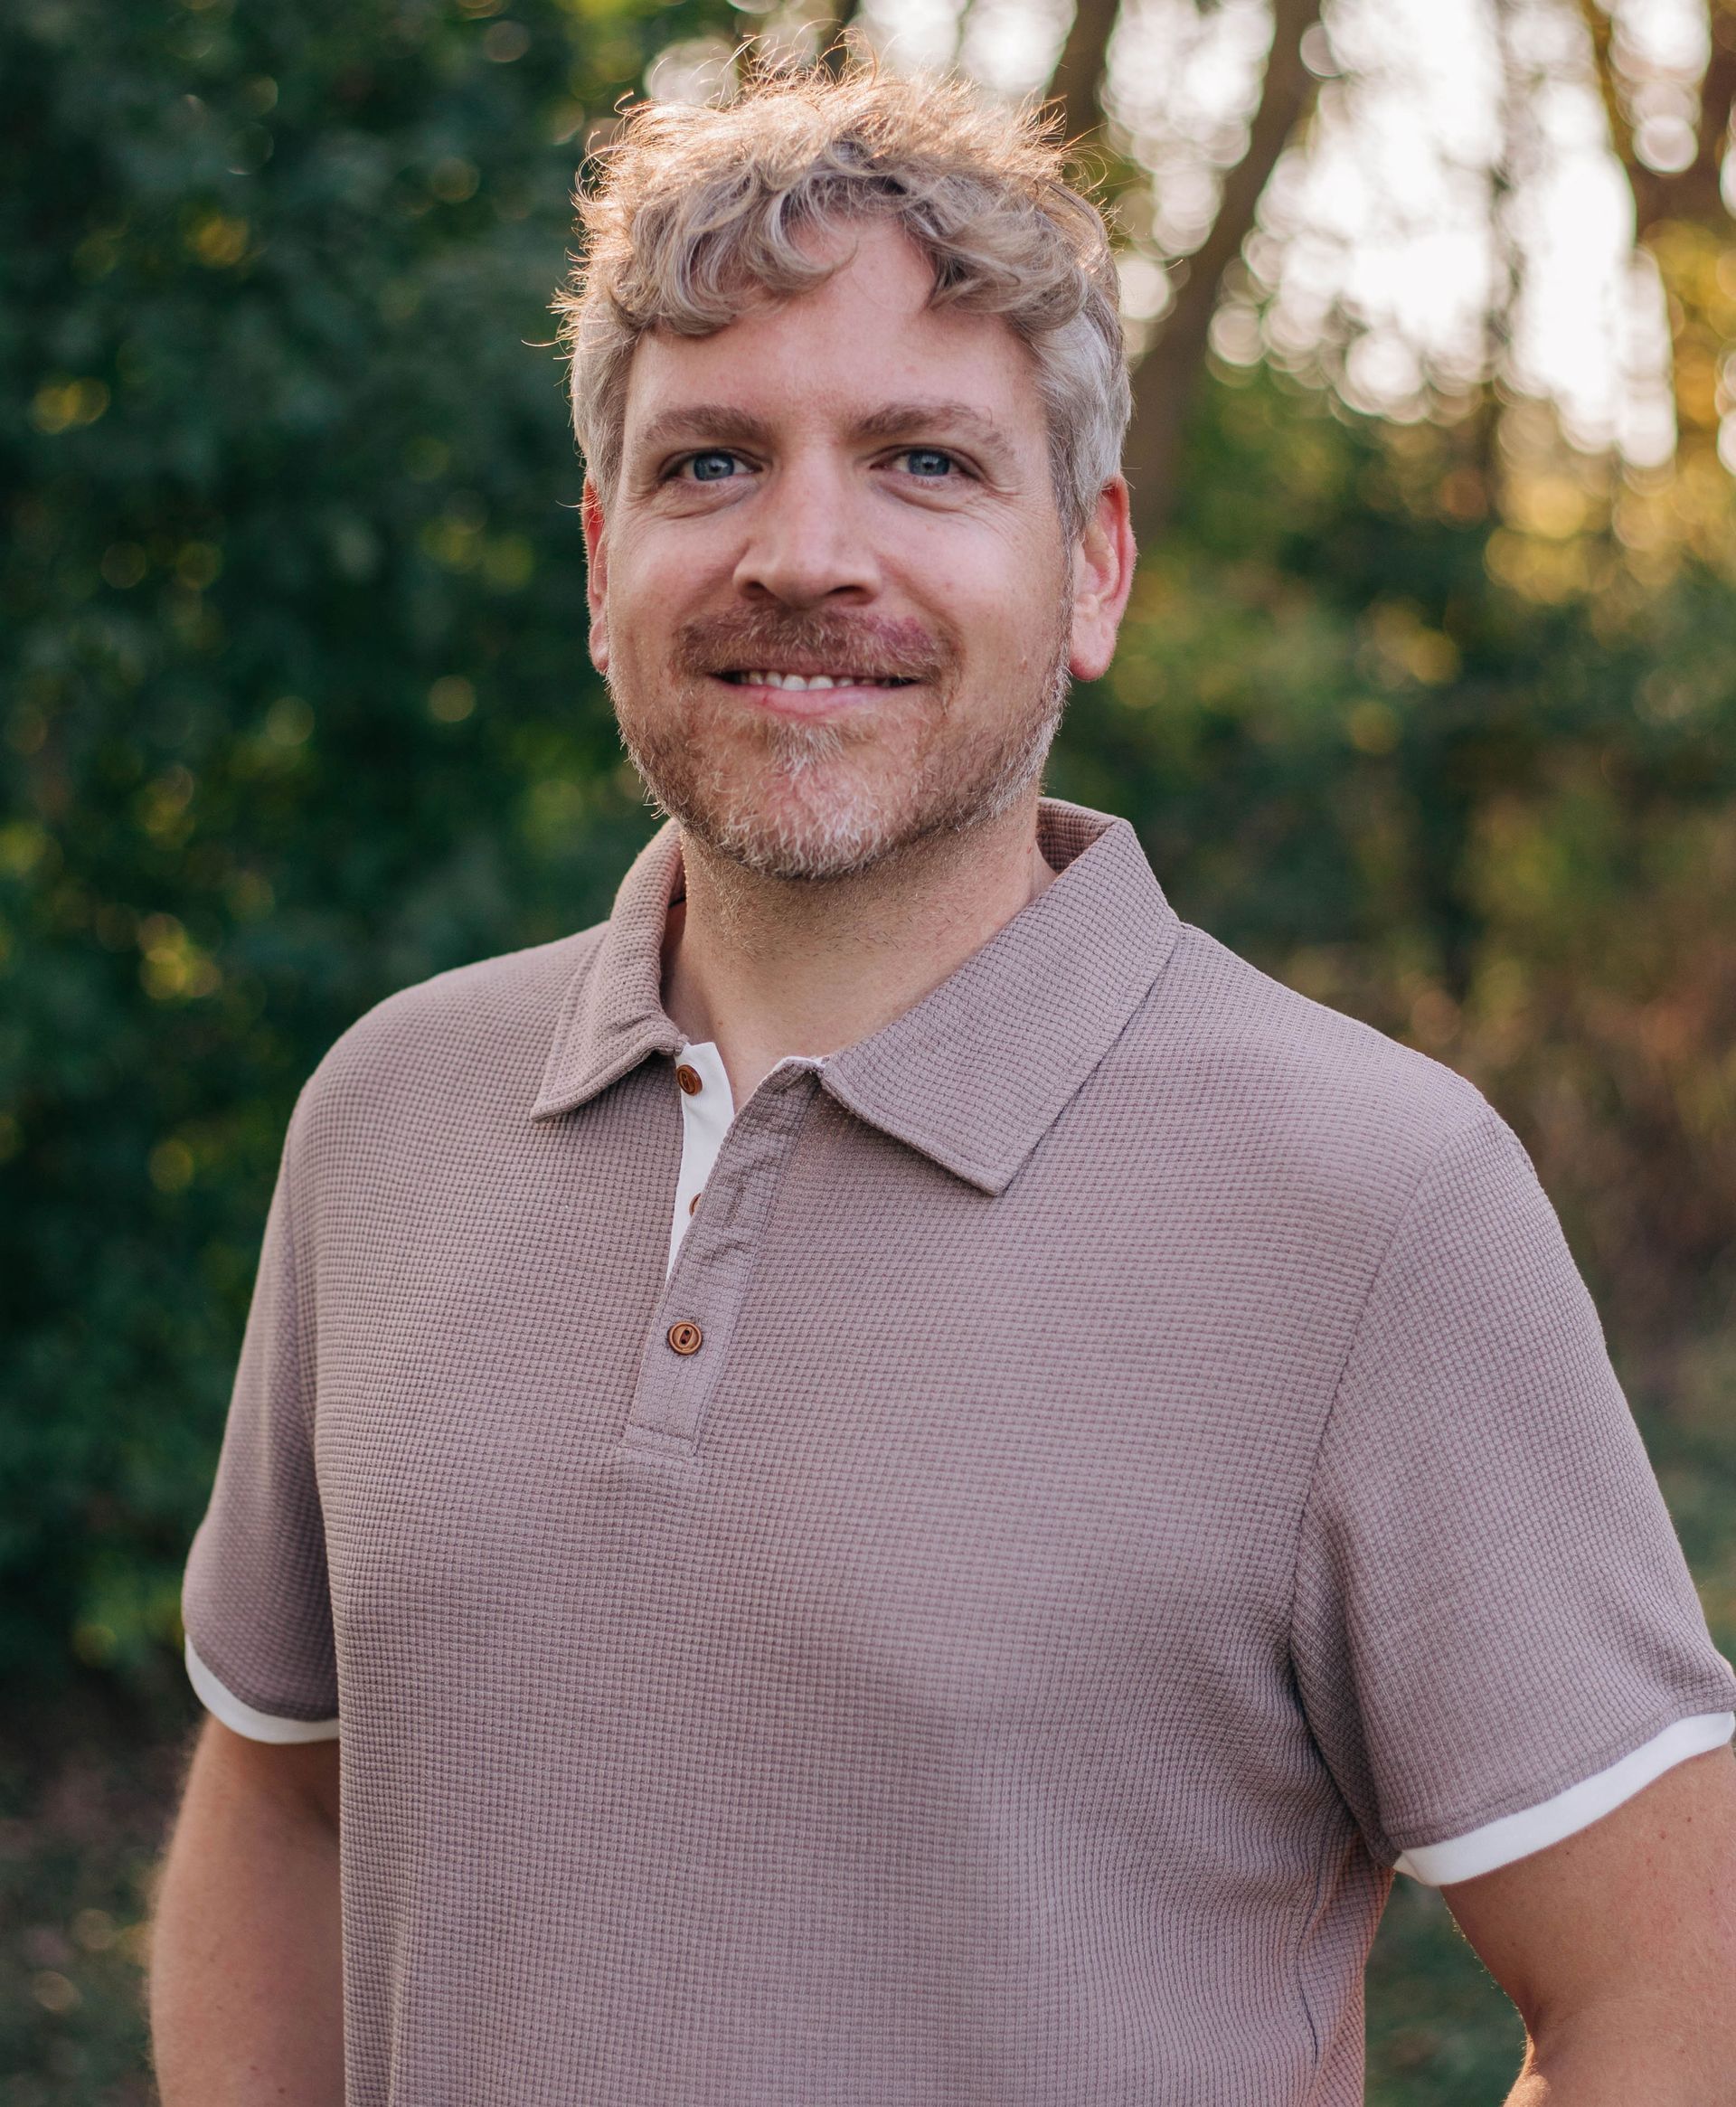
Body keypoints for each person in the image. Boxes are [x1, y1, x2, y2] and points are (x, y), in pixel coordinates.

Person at [148, 62, 1736, 2107]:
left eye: (922, 462)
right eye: (711, 462)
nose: (804, 553)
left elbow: (1673, 2000)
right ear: (600, 544)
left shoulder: (1373, 1201)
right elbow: (283, 1806)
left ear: (1093, 568)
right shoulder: (386, 1116)